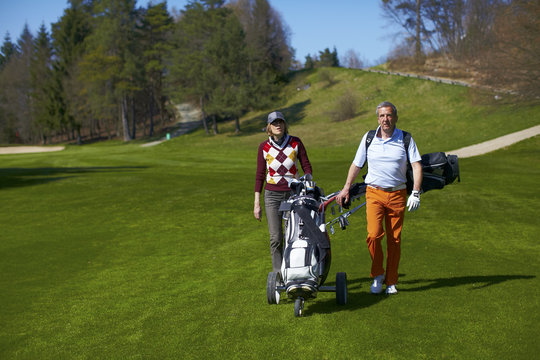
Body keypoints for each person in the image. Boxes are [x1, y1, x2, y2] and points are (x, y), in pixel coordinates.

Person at [336, 101, 422, 295]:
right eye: (382, 116)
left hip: (398, 194)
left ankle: (391, 281)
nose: (386, 119)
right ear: (378, 118)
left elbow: (416, 165)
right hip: (374, 192)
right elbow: (356, 164)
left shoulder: (405, 138)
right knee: (373, 235)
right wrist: (346, 188)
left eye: (389, 115)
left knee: (394, 240)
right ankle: (377, 275)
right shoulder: (368, 138)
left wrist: (415, 192)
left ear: (395, 118)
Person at [254, 111, 313, 275]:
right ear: (269, 127)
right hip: (272, 195)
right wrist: (256, 203)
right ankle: (278, 274)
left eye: (280, 122)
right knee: (276, 238)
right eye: (274, 123)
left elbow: (306, 166)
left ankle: (292, 271)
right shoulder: (264, 147)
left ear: (285, 124)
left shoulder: (295, 142)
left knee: (292, 236)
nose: (278, 125)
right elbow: (260, 176)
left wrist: (307, 182)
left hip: (293, 195)